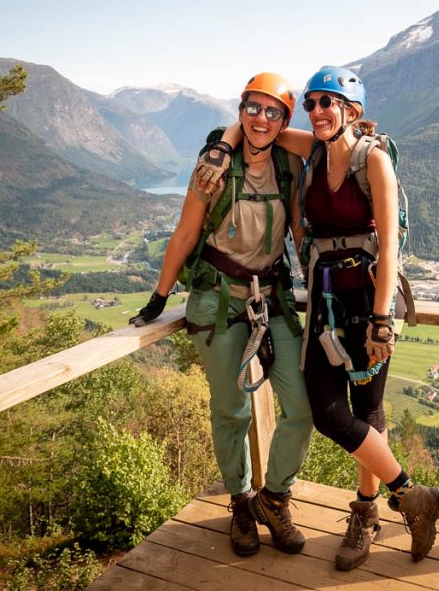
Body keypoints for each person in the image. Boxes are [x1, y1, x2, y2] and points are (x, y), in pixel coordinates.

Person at [199, 66, 439, 571]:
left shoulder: (374, 160)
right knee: (330, 411)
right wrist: (221, 148)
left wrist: (382, 319)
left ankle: (367, 514)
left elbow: (391, 248)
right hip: (325, 302)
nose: (315, 112)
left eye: (326, 103)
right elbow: (251, 126)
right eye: (310, 104)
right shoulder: (311, 149)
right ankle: (413, 498)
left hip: (369, 302)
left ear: (350, 110)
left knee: (368, 409)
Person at [130, 72, 313, 559]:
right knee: (230, 409)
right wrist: (159, 294)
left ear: (284, 120)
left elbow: (297, 231)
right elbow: (186, 232)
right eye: (253, 108)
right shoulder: (212, 169)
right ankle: (241, 500)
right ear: (240, 110)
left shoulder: (289, 166)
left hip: (271, 296)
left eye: (273, 111)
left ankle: (274, 498)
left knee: (303, 406)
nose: (261, 118)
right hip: (217, 298)